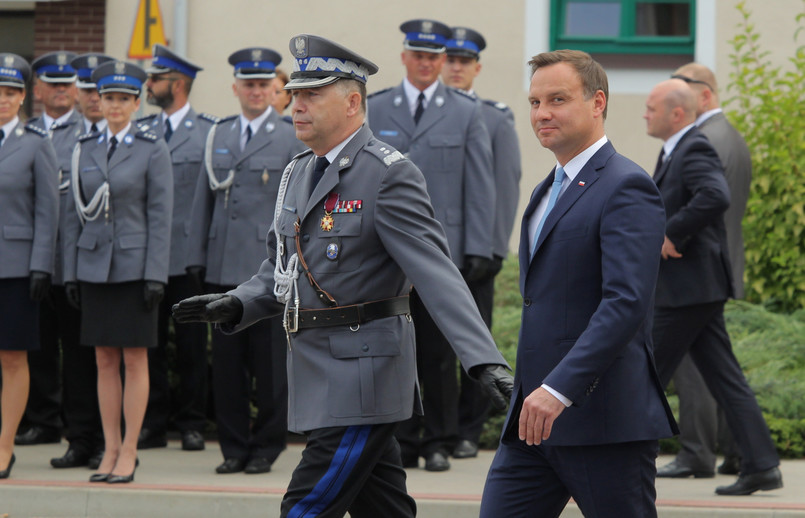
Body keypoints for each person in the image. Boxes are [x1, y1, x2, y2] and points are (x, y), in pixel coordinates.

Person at [174, 33, 512, 518]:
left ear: (353, 102)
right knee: (385, 509)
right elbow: (285, 269)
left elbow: (438, 275)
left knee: (304, 508)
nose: (296, 105)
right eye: (293, 94)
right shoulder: (297, 172)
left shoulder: (388, 175)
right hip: (319, 376)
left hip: (363, 379)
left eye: (312, 95)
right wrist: (239, 301)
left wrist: (482, 361)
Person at [479, 50, 677, 518]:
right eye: (534, 102)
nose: (542, 113)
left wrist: (559, 389)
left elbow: (625, 303)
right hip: (530, 423)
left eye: (558, 99)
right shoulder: (546, 188)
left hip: (601, 422)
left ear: (597, 102)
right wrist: (535, 393)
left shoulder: (627, 185)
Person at [367, 18, 494, 472]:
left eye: (434, 56)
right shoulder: (376, 108)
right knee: (393, 348)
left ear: (443, 61)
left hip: (443, 251)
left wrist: (480, 246)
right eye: (418, 55)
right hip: (386, 253)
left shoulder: (465, 111)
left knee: (440, 354)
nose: (426, 63)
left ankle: (439, 438)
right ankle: (400, 437)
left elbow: (480, 186)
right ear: (404, 57)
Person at [646, 78, 783, 496]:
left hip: (690, 287)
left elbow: (714, 195)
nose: (645, 113)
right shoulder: (676, 149)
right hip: (695, 289)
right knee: (726, 379)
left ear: (677, 114)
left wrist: (671, 233)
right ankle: (762, 465)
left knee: (644, 373)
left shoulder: (694, 147)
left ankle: (617, 457)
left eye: (652, 108)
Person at [184, 46, 304, 475]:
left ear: (276, 89)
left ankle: (267, 446)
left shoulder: (290, 135)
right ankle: (233, 447)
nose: (256, 91)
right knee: (229, 367)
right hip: (221, 265)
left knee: (270, 366)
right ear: (235, 87)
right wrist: (196, 256)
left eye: (263, 85)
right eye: (248, 84)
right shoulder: (219, 134)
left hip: (268, 267)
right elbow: (203, 203)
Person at [62, 60, 173, 484]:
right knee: (103, 360)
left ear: (136, 102)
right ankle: (109, 448)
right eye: (108, 98)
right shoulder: (84, 147)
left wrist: (156, 275)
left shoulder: (151, 148)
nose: (114, 106)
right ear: (99, 100)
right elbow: (75, 214)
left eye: (123, 99)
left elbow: (160, 215)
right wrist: (72, 271)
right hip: (93, 267)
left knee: (135, 359)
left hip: (134, 267)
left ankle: (130, 450)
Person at [656, 63, 751, 479]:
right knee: (719, 371)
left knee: (689, 372)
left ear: (703, 96)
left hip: (694, 272)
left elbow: (711, 198)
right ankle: (747, 457)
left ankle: (698, 451)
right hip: (711, 267)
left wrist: (672, 234)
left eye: (682, 87)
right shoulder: (726, 135)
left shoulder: (702, 139)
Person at [440, 26, 521, 460]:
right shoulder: (428, 115)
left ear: (477, 68)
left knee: (475, 344)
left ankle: (468, 430)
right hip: (435, 253)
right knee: (430, 349)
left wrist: (492, 248)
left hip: (476, 254)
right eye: (449, 60)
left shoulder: (492, 116)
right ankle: (435, 427)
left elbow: (504, 187)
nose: (455, 68)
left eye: (463, 62)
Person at [136, 44, 216, 452]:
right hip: (146, 257)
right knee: (147, 346)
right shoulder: (142, 132)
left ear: (178, 84)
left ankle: (191, 424)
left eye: (155, 78)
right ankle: (151, 423)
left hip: (186, 258)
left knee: (189, 348)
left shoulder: (207, 133)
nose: (148, 85)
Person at [15, 51, 80, 450]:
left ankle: (77, 422)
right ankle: (41, 419)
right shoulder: (24, 133)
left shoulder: (90, 131)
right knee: (36, 345)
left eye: (66, 84)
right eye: (52, 84)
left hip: (72, 258)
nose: (59, 91)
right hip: (31, 258)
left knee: (76, 348)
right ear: (36, 90)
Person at [0, 53, 60, 479]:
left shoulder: (36, 143)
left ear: (22, 97)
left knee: (12, 359)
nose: (3, 100)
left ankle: (5, 445)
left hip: (17, 267)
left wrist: (41, 265)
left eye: (11, 92)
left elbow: (48, 211)